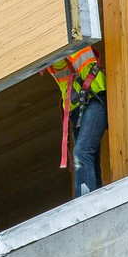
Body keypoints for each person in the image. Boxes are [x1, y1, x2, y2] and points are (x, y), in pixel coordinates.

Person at [46, 45, 107, 196]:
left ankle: (85, 202)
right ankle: (96, 200)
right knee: (89, 157)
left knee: (82, 153)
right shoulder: (46, 53)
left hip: (95, 97)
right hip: (77, 107)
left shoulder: (69, 37)